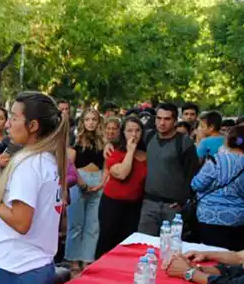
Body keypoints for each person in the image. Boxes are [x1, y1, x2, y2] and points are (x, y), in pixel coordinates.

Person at [0, 91, 68, 284]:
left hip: (16, 269)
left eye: (14, 118)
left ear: (33, 125)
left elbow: (21, 221)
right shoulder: (47, 160)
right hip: (36, 265)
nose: (7, 124)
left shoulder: (28, 164)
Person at [137, 102, 201, 235]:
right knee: (144, 246)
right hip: (149, 203)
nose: (162, 122)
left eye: (167, 119)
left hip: (173, 207)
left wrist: (183, 201)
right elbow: (124, 141)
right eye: (159, 118)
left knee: (171, 249)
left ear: (175, 121)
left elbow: (193, 174)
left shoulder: (184, 143)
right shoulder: (148, 136)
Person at [95, 116, 148, 258]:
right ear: (123, 133)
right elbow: (122, 174)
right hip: (112, 203)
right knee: (107, 241)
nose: (134, 134)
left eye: (137, 130)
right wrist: (130, 151)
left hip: (134, 205)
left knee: (127, 243)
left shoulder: (146, 154)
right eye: (130, 130)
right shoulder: (115, 152)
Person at [190, 125, 244, 250]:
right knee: (233, 257)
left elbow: (197, 184)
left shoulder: (216, 160)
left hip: (209, 217)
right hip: (239, 219)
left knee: (211, 256)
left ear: (228, 140)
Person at [65, 108, 105, 274]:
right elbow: (70, 163)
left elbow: (107, 164)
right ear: (83, 122)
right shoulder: (75, 139)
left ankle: (88, 259)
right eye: (87, 119)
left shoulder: (104, 142)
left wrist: (101, 183)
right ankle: (73, 259)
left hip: (98, 180)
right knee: (76, 224)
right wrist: (80, 182)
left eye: (94, 119)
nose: (91, 122)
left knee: (93, 224)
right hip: (78, 180)